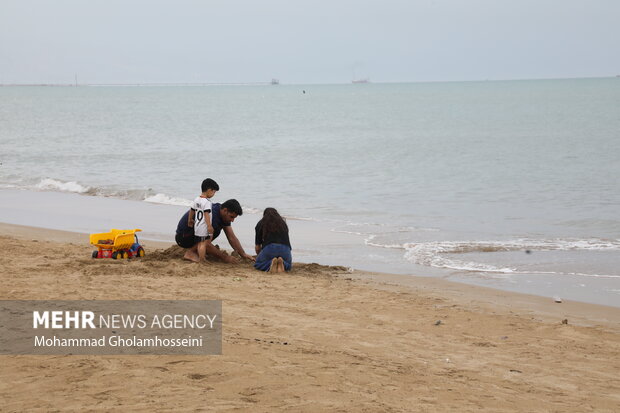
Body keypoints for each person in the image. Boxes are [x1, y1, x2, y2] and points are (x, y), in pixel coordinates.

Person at [176, 198, 255, 263]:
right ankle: (191, 252)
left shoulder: (221, 212)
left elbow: (231, 237)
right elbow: (207, 243)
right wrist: (225, 258)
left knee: (215, 231)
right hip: (183, 237)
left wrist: (243, 254)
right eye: (231, 217)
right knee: (214, 230)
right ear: (225, 210)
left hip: (193, 235)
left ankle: (197, 249)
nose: (232, 220)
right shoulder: (212, 216)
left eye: (234, 218)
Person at [188, 178, 219, 264]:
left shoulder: (197, 199)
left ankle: (201, 258)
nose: (214, 194)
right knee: (203, 244)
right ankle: (202, 259)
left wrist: (190, 220)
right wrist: (209, 226)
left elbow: (192, 210)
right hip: (203, 226)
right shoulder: (207, 202)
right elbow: (206, 214)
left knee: (199, 243)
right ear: (209, 190)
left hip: (197, 225)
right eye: (214, 192)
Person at [254, 207, 292, 273]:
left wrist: (259, 256)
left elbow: (257, 247)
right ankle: (282, 264)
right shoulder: (283, 224)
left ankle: (270, 264)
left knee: (258, 264)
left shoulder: (261, 223)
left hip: (270, 248)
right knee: (289, 265)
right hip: (285, 249)